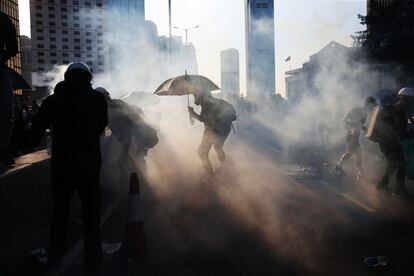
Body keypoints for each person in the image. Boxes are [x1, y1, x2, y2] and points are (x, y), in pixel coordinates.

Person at [31, 62, 108, 273]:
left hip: (63, 167)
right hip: (90, 166)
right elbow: (102, 126)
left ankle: (56, 258)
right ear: (88, 78)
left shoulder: (53, 101)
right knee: (91, 217)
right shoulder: (97, 100)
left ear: (66, 78)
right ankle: (93, 263)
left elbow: (35, 130)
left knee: (60, 213)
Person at [188, 90, 236, 176]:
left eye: (195, 96)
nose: (195, 98)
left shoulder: (207, 104)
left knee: (202, 152)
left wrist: (192, 113)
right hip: (224, 128)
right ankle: (226, 167)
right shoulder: (217, 101)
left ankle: (210, 175)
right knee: (218, 147)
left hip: (214, 129)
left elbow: (203, 119)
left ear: (200, 96)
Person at [370, 92, 407, 194]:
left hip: (394, 143)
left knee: (394, 164)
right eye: (407, 100)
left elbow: (402, 131)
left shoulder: (402, 115)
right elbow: (380, 125)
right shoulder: (387, 109)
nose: (408, 104)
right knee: (400, 163)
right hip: (385, 142)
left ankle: (383, 184)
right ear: (402, 99)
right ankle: (399, 188)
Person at [334, 96, 378, 177]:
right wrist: (351, 128)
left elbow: (360, 124)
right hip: (351, 135)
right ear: (368, 104)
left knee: (354, 153)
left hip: (355, 136)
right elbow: (345, 120)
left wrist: (365, 129)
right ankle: (359, 173)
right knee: (356, 153)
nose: (373, 108)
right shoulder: (357, 110)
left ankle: (340, 166)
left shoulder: (365, 113)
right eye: (373, 106)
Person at [0, 11, 18, 166]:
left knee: (5, 111)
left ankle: (2, 150)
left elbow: (13, 47)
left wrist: (1, 57)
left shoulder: (2, 19)